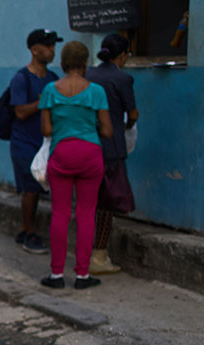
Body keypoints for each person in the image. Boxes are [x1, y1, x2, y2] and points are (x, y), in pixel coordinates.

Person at [38, 40, 113, 290]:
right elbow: (108, 130)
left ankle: (56, 274)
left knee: (60, 213)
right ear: (85, 64)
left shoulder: (50, 90)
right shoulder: (97, 92)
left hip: (61, 153)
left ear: (62, 63)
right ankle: (82, 275)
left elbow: (46, 129)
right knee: (86, 214)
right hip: (90, 154)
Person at [85, 33, 138, 275]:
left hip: (85, 146)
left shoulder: (88, 75)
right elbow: (133, 114)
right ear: (123, 55)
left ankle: (83, 253)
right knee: (106, 206)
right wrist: (125, 127)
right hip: (111, 149)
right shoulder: (122, 78)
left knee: (87, 202)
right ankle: (99, 254)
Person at [8, 29, 61, 254]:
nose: (52, 50)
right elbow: (19, 112)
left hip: (45, 142)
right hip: (24, 142)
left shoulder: (52, 79)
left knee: (37, 188)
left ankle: (24, 228)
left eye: (53, 46)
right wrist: (42, 102)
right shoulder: (21, 78)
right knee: (30, 188)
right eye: (47, 46)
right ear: (34, 49)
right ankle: (29, 233)